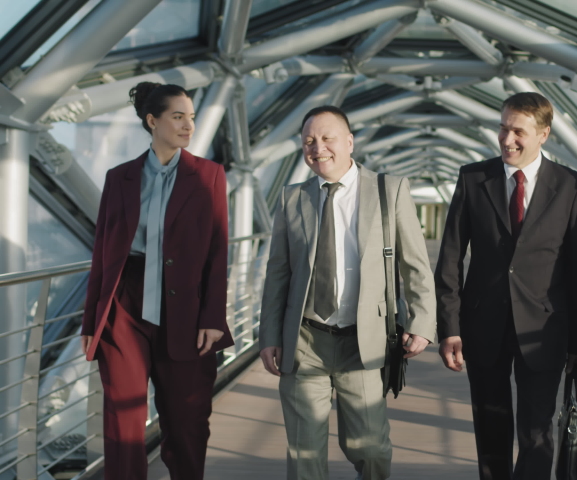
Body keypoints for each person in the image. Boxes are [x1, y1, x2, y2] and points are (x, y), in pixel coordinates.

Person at [258, 106, 436, 480]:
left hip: (363, 339)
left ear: (350, 142)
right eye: (309, 141)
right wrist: (269, 336)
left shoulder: (389, 190)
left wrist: (422, 322)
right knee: (304, 449)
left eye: (327, 138)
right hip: (305, 338)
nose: (317, 148)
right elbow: (278, 272)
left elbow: (415, 264)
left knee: (369, 447)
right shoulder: (293, 198)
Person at [434, 92, 577, 480]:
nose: (507, 139)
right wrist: (449, 330)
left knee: (538, 433)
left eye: (518, 131)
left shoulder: (572, 185)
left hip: (545, 330)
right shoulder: (474, 179)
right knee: (490, 428)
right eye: (503, 128)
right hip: (482, 324)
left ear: (543, 135)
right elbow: (450, 259)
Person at [80, 82, 233, 479]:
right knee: (122, 425)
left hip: (187, 310)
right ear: (153, 121)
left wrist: (213, 316)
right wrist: (89, 322)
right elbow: (102, 253)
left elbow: (219, 250)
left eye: (192, 117)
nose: (188, 126)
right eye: (178, 117)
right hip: (124, 308)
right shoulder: (120, 178)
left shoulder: (209, 176)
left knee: (187, 423)